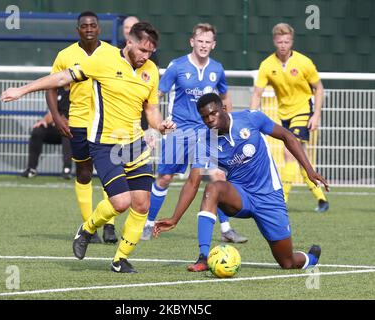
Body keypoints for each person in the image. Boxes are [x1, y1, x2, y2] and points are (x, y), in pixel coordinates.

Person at [1, 22, 176, 273]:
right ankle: (87, 228)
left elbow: (150, 110)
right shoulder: (103, 58)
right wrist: (22, 90)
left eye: (150, 52)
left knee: (142, 204)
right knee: (120, 203)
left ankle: (119, 259)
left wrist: (161, 126)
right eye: (143, 50)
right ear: (129, 42)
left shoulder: (151, 71)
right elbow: (62, 76)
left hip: (135, 144)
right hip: (105, 144)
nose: (146, 57)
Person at [154, 93, 329, 271]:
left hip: (269, 196)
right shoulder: (205, 140)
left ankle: (311, 258)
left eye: (213, 113)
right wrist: (175, 218)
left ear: (223, 108)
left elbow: (287, 136)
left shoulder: (251, 118)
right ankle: (203, 257)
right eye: (205, 117)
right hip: (240, 196)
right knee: (213, 188)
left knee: (287, 262)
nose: (209, 120)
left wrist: (309, 170)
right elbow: (193, 182)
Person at [140, 23, 248, 244]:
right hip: (178, 131)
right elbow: (156, 95)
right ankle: (148, 224)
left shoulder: (217, 69)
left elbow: (225, 98)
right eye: (200, 41)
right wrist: (153, 126)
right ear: (192, 42)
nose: (204, 45)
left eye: (208, 42)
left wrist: (229, 124)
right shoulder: (177, 66)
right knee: (165, 177)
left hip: (207, 133)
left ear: (214, 45)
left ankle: (226, 229)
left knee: (217, 176)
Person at [47, 11, 117, 244]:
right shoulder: (65, 55)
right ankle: (90, 227)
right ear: (78, 30)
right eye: (84, 26)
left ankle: (109, 225)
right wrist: (57, 117)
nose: (89, 29)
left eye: (93, 25)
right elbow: (51, 87)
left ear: (99, 29)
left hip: (107, 122)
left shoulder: (112, 53)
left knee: (110, 173)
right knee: (84, 172)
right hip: (78, 122)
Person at [250, 23, 329, 213]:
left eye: (286, 41)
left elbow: (319, 88)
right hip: (284, 114)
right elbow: (257, 93)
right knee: (299, 156)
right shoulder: (267, 65)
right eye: (280, 42)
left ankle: (281, 200)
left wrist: (316, 114)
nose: (283, 45)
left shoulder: (304, 62)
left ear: (291, 42)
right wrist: (251, 118)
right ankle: (321, 199)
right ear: (274, 42)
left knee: (289, 154)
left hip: (303, 110)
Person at [21, 86, 72, 180]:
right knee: (38, 130)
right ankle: (31, 169)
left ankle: (67, 170)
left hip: (73, 129)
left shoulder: (77, 90)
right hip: (58, 127)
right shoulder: (57, 90)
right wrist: (43, 120)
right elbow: (52, 113)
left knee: (67, 133)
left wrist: (67, 122)